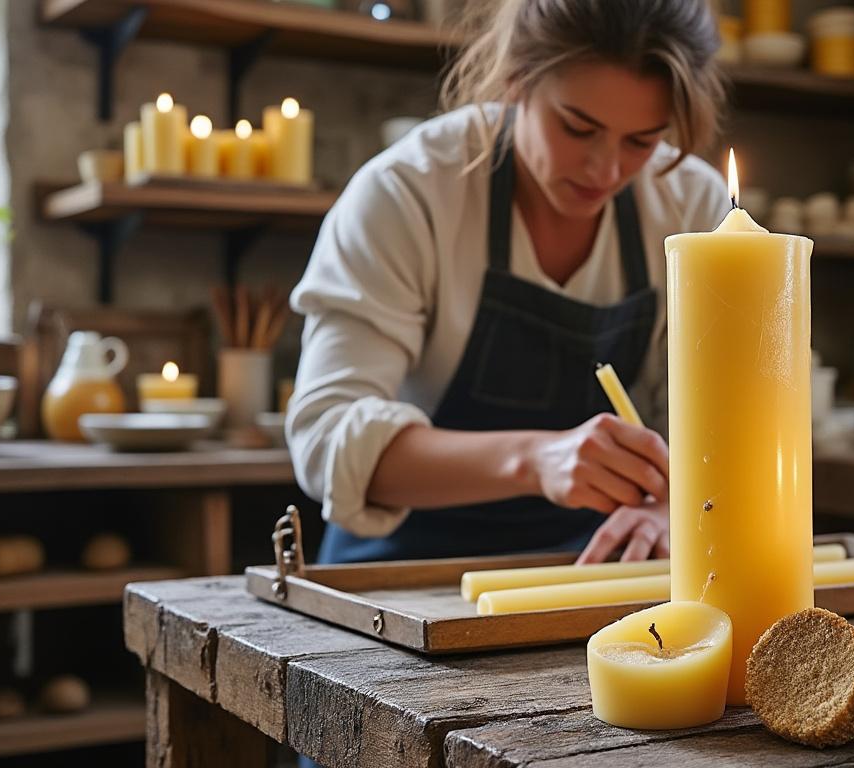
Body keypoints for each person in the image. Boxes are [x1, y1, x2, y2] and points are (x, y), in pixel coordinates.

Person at [287, 0, 730, 568]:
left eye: (641, 142)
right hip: (399, 571)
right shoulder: (410, 193)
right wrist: (536, 460)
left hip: (587, 570)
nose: (605, 169)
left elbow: (722, 430)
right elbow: (325, 437)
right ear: (517, 78)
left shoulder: (690, 203)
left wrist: (674, 506)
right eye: (577, 127)